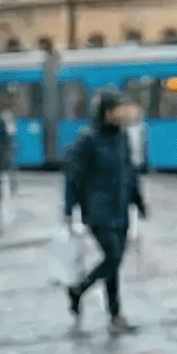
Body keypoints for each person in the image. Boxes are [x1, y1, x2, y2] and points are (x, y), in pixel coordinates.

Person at [63, 89, 148, 334]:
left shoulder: (122, 136)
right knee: (113, 256)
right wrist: (70, 208)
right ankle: (80, 288)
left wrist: (138, 201)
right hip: (97, 209)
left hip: (120, 207)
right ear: (106, 112)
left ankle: (115, 314)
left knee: (115, 262)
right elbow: (74, 176)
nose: (123, 114)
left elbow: (129, 170)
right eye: (118, 109)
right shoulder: (88, 139)